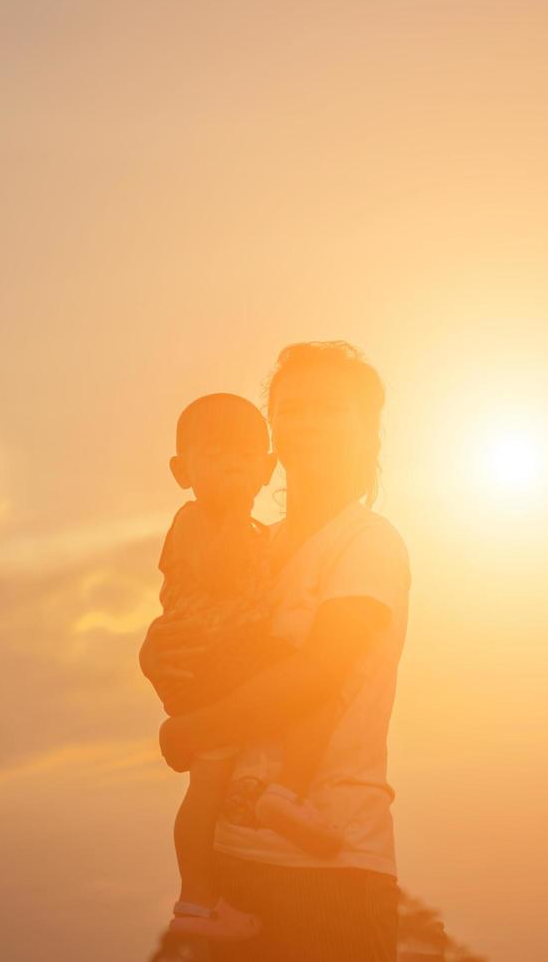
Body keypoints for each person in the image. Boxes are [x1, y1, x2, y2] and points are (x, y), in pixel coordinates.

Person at [141, 341, 410, 961]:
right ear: (272, 434)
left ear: (366, 429)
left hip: (334, 863)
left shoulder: (367, 543)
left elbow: (317, 674)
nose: (309, 423)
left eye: (331, 409)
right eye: (293, 409)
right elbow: (206, 643)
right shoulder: (256, 552)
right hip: (235, 858)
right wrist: (153, 658)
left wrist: (193, 727)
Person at [156, 393, 350, 943]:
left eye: (245, 456)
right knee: (211, 777)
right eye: (215, 457)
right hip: (209, 659)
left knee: (310, 687)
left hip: (235, 654)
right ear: (182, 471)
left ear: (266, 467)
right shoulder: (194, 520)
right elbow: (217, 575)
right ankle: (195, 900)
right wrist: (235, 510)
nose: (232, 467)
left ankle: (280, 796)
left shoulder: (260, 533)